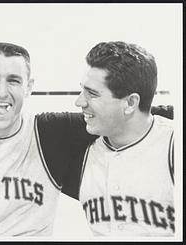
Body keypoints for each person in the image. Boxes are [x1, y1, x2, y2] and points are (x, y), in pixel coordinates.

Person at [0, 42, 172, 237]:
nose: (2, 92)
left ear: (30, 87)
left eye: (14, 81)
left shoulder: (50, 133)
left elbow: (133, 114)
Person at [73, 41, 174, 236]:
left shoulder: (173, 145)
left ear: (130, 103)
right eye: (82, 90)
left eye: (92, 94)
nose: (79, 101)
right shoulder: (80, 146)